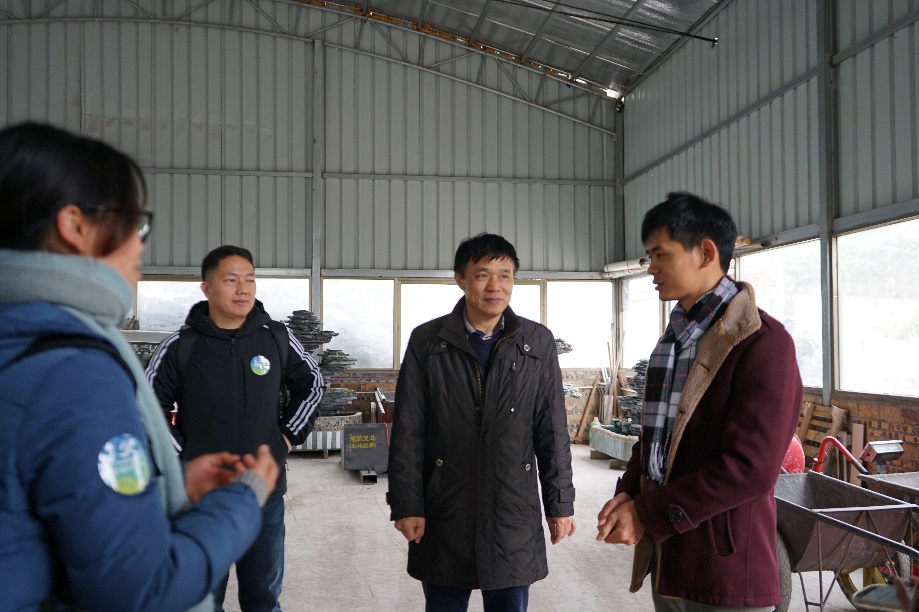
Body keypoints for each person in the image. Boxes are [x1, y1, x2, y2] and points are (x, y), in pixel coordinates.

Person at [0, 121, 280, 612]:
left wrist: (165, 487)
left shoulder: (20, 337)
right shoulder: (74, 371)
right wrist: (243, 497)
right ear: (75, 225)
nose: (141, 243)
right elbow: (141, 589)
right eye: (134, 223)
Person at [596, 192, 803, 610]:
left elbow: (750, 470)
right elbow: (655, 438)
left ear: (706, 253)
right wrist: (630, 492)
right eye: (649, 256)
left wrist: (648, 513)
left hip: (725, 570)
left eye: (660, 254)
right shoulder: (673, 340)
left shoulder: (762, 343)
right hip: (668, 560)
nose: (650, 268)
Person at [387, 232, 577, 612]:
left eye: (505, 275)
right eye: (483, 274)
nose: (495, 286)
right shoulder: (428, 341)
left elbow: (552, 430)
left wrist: (560, 503)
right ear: (460, 279)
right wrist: (407, 503)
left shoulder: (537, 342)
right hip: (445, 506)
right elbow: (408, 430)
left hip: (513, 508)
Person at [146, 244, 324, 612]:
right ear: (207, 288)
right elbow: (147, 407)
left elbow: (313, 383)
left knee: (263, 599)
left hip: (263, 494)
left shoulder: (276, 338)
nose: (243, 289)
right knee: (201, 599)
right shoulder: (181, 346)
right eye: (231, 280)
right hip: (200, 498)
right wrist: (182, 457)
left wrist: (286, 437)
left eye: (250, 279)